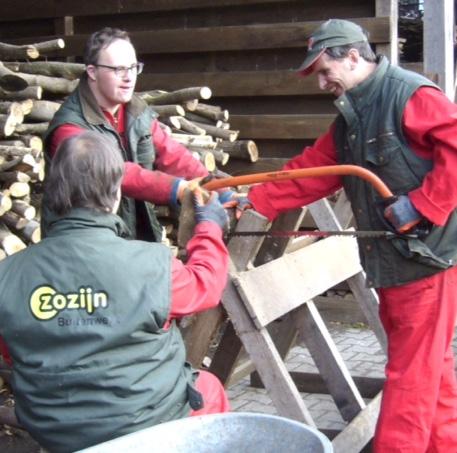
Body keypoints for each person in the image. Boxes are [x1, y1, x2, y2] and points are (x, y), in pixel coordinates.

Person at [237, 19, 457, 453]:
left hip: (425, 262)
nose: (321, 83)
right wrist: (253, 198)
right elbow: (313, 171)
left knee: (409, 379)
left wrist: (424, 203)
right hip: (395, 264)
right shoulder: (354, 117)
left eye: (324, 71)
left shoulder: (408, 95)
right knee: (433, 369)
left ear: (353, 56)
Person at [0, 131, 230, 452]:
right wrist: (209, 227)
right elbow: (206, 286)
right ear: (115, 196)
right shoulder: (152, 264)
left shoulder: (6, 277)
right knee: (208, 388)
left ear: (52, 192)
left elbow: (13, 351)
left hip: (57, 432)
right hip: (149, 426)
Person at [44, 26, 232, 242]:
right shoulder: (70, 127)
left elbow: (171, 154)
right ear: (92, 72)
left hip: (130, 232)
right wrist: (176, 188)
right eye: (118, 69)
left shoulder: (135, 111)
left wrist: (218, 188)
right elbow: (116, 172)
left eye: (133, 67)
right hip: (82, 239)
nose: (129, 77)